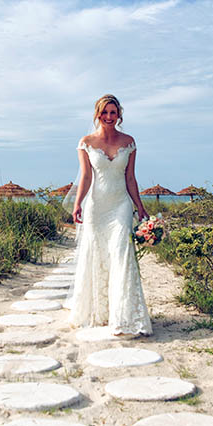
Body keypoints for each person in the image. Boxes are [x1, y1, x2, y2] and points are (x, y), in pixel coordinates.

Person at [67, 94, 153, 336]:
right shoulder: (86, 142)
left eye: (113, 112)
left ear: (119, 115)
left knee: (121, 254)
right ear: (97, 114)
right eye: (104, 112)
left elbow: (130, 178)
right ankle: (100, 312)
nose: (108, 117)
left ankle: (123, 318)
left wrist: (140, 206)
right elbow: (85, 177)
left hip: (120, 206)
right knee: (97, 255)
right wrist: (78, 204)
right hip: (97, 206)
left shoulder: (129, 142)